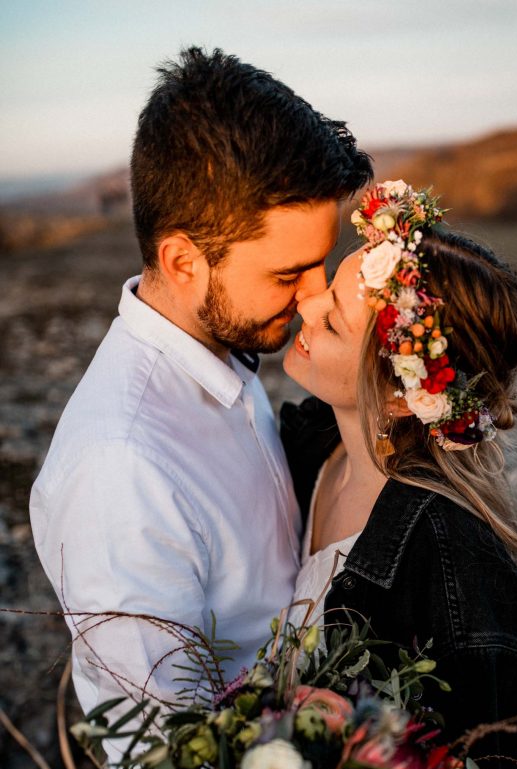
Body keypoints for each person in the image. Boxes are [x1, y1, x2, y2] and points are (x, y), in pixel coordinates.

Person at [29, 47, 372, 733]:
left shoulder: (222, 353)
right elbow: (159, 755)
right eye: (288, 274)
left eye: (321, 263)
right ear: (183, 261)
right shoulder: (121, 467)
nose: (314, 299)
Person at [281, 180, 517, 769]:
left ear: (399, 390)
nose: (305, 305)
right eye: (325, 290)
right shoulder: (306, 446)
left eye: (331, 322)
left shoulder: (446, 548)